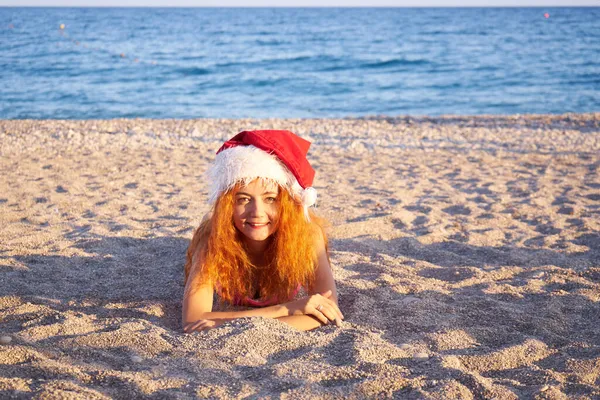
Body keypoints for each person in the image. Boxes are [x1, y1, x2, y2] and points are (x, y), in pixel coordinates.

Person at [182, 130, 344, 332]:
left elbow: (328, 312)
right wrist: (287, 309)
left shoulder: (307, 235)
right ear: (227, 206)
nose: (257, 212)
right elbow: (192, 320)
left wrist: (223, 322)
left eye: (270, 199)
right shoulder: (214, 238)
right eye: (243, 199)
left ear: (287, 203)